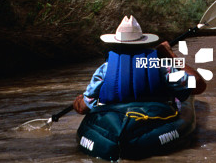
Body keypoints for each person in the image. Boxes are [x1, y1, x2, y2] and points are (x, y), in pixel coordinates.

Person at [73, 15, 206, 115]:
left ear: (116, 43)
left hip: (115, 119)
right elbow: (199, 84)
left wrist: (78, 101)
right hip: (153, 120)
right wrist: (171, 56)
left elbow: (83, 108)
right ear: (143, 43)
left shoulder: (105, 70)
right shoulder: (159, 67)